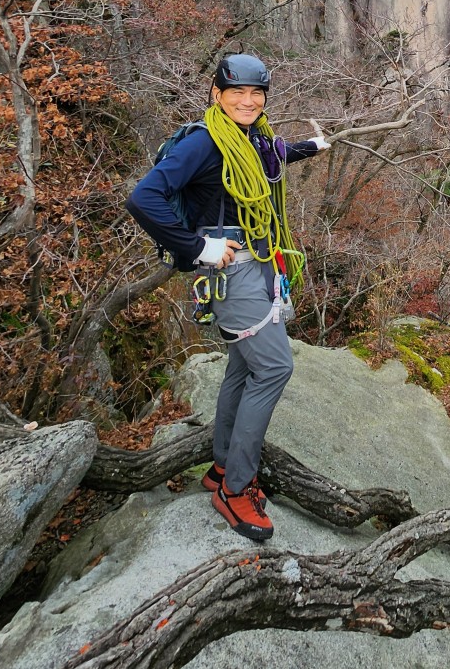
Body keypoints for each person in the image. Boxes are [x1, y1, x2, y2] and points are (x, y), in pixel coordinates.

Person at [126, 54, 330, 541]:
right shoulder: (204, 141)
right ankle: (236, 488)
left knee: (244, 367)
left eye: (256, 93)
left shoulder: (250, 138)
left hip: (260, 265)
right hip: (231, 270)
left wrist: (311, 146)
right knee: (275, 366)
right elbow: (143, 197)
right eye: (236, 92)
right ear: (216, 95)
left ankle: (221, 466)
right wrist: (198, 245)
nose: (248, 100)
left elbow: (271, 154)